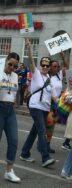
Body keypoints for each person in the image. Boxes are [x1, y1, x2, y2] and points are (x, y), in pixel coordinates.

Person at [20, 39, 55, 167]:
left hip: (45, 108)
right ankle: (45, 157)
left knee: (35, 131)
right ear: (40, 65)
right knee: (42, 131)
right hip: (35, 106)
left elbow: (52, 96)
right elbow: (31, 61)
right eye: (43, 65)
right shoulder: (36, 73)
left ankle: (24, 153)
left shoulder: (49, 78)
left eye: (47, 65)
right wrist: (29, 48)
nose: (45, 67)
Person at [0, 52, 21, 182]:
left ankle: (9, 170)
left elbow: (14, 93)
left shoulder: (15, 76)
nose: (12, 68)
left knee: (14, 140)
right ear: (6, 61)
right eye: (10, 64)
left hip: (10, 110)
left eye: (15, 66)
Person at [46, 52, 69, 153]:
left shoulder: (59, 75)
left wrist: (63, 56)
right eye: (55, 66)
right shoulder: (46, 77)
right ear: (50, 67)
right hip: (48, 103)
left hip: (56, 104)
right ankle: (44, 144)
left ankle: (46, 144)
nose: (57, 68)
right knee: (48, 124)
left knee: (51, 125)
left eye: (58, 66)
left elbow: (67, 67)